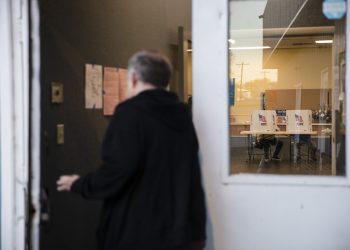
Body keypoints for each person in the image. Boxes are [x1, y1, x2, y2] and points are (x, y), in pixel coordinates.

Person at [57, 51, 206, 250]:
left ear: (134, 78)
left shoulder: (130, 113)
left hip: (141, 233)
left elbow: (118, 170)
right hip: (185, 232)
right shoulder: (182, 115)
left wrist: (79, 184)